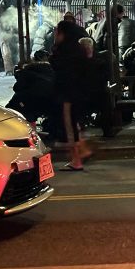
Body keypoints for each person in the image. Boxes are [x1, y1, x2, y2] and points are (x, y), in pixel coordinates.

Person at [51, 20, 88, 170]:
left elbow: (61, 72)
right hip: (78, 92)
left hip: (68, 94)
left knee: (69, 126)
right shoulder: (78, 48)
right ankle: (81, 152)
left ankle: (76, 160)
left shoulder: (64, 50)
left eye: (57, 31)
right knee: (74, 124)